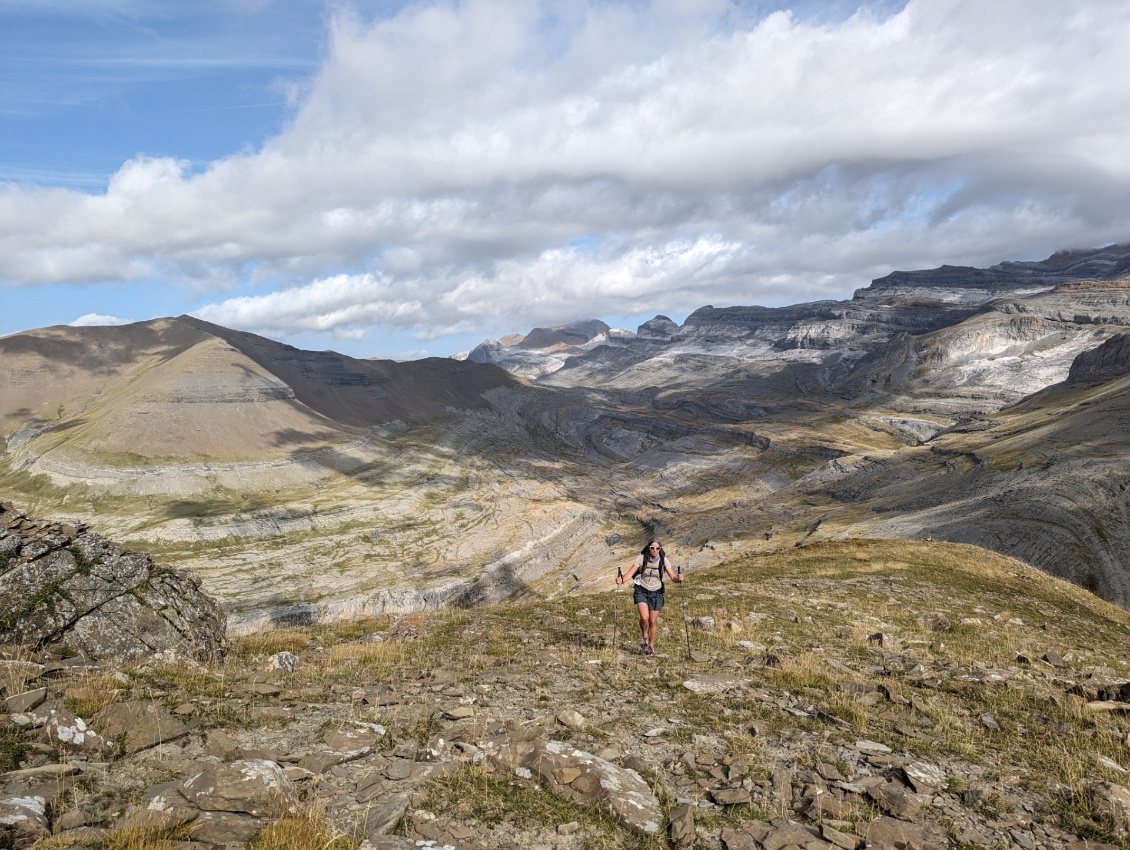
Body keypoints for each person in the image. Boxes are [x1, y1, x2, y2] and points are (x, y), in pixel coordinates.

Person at [616, 538, 683, 656]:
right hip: (641, 590)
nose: (655, 550)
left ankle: (651, 646)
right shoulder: (641, 559)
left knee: (652, 621)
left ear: (660, 549)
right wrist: (621, 580)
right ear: (648, 548)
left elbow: (673, 577)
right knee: (644, 618)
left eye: (657, 548)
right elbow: (629, 574)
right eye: (652, 548)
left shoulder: (663, 561)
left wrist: (679, 579)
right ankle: (644, 636)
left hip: (656, 593)